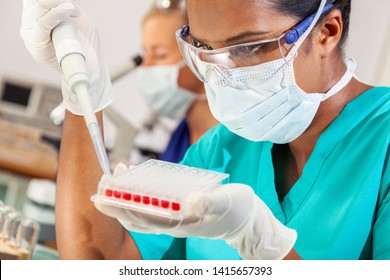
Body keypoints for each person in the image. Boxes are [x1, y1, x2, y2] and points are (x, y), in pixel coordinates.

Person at [20, 0, 389, 260]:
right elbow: (98, 262)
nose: (224, 75)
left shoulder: (381, 142)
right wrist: (85, 90)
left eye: (247, 47)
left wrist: (262, 243)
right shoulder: (222, 149)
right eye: (204, 49)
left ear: (326, 32)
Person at [133, 0, 218, 164]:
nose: (145, 65)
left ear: (202, 55)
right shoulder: (162, 137)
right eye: (145, 53)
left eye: (160, 55)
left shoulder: (243, 141)